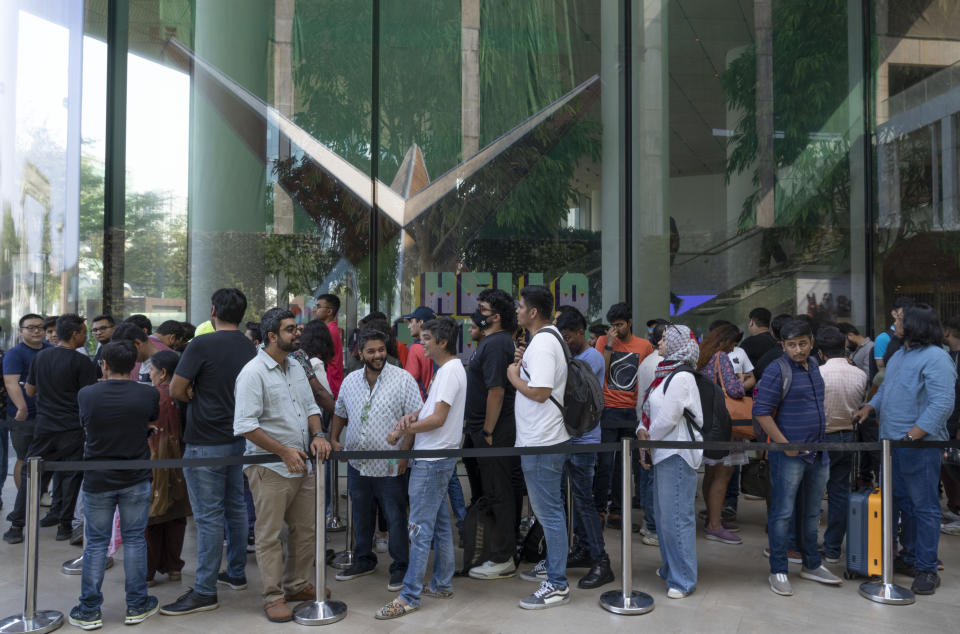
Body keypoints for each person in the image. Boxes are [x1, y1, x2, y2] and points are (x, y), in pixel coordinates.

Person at [160, 289, 257, 616]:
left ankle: (204, 591)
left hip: (205, 439)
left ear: (213, 309)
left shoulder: (201, 344)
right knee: (235, 506)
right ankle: (237, 572)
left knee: (208, 515)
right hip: (239, 437)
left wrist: (193, 397)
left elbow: (176, 388)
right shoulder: (249, 346)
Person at [234, 309, 332, 622]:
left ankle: (297, 583)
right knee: (269, 535)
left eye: (297, 329)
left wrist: (318, 434)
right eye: (291, 329)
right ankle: (273, 596)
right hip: (270, 469)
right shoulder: (252, 373)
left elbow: (310, 406)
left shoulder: (295, 367)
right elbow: (246, 425)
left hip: (302, 464)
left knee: (305, 531)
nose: (297, 334)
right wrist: (283, 452)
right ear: (272, 336)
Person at [853, 304, 956, 595]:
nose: (894, 323)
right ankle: (907, 558)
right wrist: (870, 407)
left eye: (899, 319)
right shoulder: (899, 355)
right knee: (899, 506)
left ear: (915, 325)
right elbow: (886, 389)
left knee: (924, 508)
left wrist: (913, 436)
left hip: (920, 446)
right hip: (891, 446)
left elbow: (942, 404)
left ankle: (926, 568)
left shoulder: (937, 358)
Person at [375, 317, 466, 619]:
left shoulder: (451, 370)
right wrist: (414, 416)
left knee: (418, 529)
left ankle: (409, 594)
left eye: (426, 338)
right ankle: (441, 583)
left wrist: (402, 431)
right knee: (438, 525)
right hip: (436, 458)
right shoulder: (448, 370)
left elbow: (439, 418)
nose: (421, 342)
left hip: (432, 460)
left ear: (442, 342)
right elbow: (435, 412)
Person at [69, 340, 160, 630]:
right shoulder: (148, 394)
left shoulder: (87, 394)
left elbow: (86, 425)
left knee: (95, 543)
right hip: (136, 475)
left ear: (104, 364)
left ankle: (89, 610)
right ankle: (136, 604)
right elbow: (149, 421)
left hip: (98, 477)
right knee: (135, 539)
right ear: (134, 364)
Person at [330, 328, 423, 591]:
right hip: (358, 464)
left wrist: (405, 454)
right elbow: (340, 412)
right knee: (361, 515)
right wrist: (335, 438)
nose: (378, 355)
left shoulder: (403, 379)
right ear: (360, 353)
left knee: (395, 517)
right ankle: (363, 560)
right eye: (371, 351)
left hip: (392, 464)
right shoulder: (350, 381)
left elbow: (414, 419)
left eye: (381, 349)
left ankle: (400, 566)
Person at [754, 319, 841, 596]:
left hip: (818, 452)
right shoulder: (776, 370)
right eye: (791, 345)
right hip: (788, 455)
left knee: (813, 512)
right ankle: (778, 570)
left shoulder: (814, 366)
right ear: (783, 345)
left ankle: (811, 565)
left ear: (811, 342)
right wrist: (784, 445)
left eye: (802, 343)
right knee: (782, 513)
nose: (798, 349)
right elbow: (761, 412)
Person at [3, 314, 96, 545]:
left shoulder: (41, 357)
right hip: (72, 428)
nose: (85, 336)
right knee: (71, 476)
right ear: (75, 334)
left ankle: (17, 526)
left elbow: (31, 391)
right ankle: (64, 526)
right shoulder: (83, 362)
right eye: (84, 332)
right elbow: (89, 396)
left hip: (44, 426)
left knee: (31, 475)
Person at [507, 285, 570, 609]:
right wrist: (523, 365)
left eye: (520, 306)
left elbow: (541, 391)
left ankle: (557, 584)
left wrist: (513, 376)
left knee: (549, 512)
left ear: (533, 312)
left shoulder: (544, 343)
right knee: (548, 511)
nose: (517, 311)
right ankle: (553, 567)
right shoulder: (544, 340)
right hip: (540, 439)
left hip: (543, 441)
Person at [638, 324, 702, 599]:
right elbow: (651, 411)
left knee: (676, 518)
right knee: (665, 517)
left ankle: (683, 578)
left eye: (665, 339)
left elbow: (668, 416)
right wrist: (643, 434)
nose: (660, 342)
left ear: (678, 345)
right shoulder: (665, 374)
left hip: (677, 453)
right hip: (663, 451)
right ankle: (671, 567)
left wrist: (647, 438)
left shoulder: (681, 377)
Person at [464, 289, 522, 581]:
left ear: (496, 317)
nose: (478, 312)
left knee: (499, 492)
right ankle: (501, 550)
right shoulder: (491, 342)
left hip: (494, 432)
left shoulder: (497, 343)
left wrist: (487, 430)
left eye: (483, 309)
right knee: (495, 490)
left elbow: (496, 391)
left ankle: (503, 557)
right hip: (485, 431)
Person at [555, 308, 613, 589]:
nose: (566, 342)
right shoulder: (575, 356)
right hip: (572, 438)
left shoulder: (589, 358)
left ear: (582, 332)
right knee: (576, 501)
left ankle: (601, 560)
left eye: (569, 337)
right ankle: (584, 548)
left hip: (584, 441)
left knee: (585, 502)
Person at [594, 302, 654, 533]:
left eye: (620, 325)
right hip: (608, 408)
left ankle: (618, 511)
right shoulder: (604, 341)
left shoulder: (644, 345)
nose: (616, 329)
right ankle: (600, 509)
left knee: (624, 465)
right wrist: (609, 344)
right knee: (605, 463)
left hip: (632, 410)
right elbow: (602, 372)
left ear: (629, 322)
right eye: (613, 325)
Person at [816, 326, 867, 564]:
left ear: (820, 352)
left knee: (813, 492)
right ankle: (833, 548)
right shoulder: (860, 374)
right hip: (848, 436)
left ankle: (806, 545)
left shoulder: (818, 374)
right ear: (844, 347)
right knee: (839, 493)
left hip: (822, 437)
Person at [696, 324, 747, 545]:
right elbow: (734, 390)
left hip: (708, 422)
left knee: (710, 472)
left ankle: (712, 516)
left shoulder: (703, 356)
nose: (734, 347)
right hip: (726, 426)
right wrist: (743, 381)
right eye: (734, 342)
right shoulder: (721, 357)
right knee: (722, 476)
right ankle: (715, 525)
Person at [145, 350, 191, 589]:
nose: (149, 374)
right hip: (181, 464)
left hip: (156, 463)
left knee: (152, 518)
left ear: (163, 372)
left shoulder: (154, 396)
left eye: (151, 369)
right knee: (176, 516)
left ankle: (149, 572)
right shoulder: (184, 395)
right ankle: (174, 567)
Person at [2, 314, 51, 504]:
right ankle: (25, 499)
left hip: (48, 414)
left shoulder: (51, 350)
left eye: (40, 327)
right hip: (24, 416)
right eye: (31, 327)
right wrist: (21, 407)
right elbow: (11, 383)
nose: (37, 331)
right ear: (21, 331)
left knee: (45, 456)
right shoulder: (15, 354)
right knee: (24, 457)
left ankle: (42, 493)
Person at [312, 293, 344, 397]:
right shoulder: (330, 329)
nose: (315, 310)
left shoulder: (329, 331)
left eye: (318, 306)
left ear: (329, 311)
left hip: (330, 387)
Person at [402, 305, 437, 399]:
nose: (409, 326)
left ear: (421, 322)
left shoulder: (415, 349)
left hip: (421, 406)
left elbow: (408, 382)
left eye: (411, 322)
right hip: (437, 402)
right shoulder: (439, 346)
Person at [873, 296, 914, 370]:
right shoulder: (883, 338)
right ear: (894, 314)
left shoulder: (916, 335)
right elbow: (881, 367)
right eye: (902, 314)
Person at [90, 315, 116, 379]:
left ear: (114, 328)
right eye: (95, 330)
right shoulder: (100, 348)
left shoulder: (119, 349)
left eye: (103, 328)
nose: (98, 333)